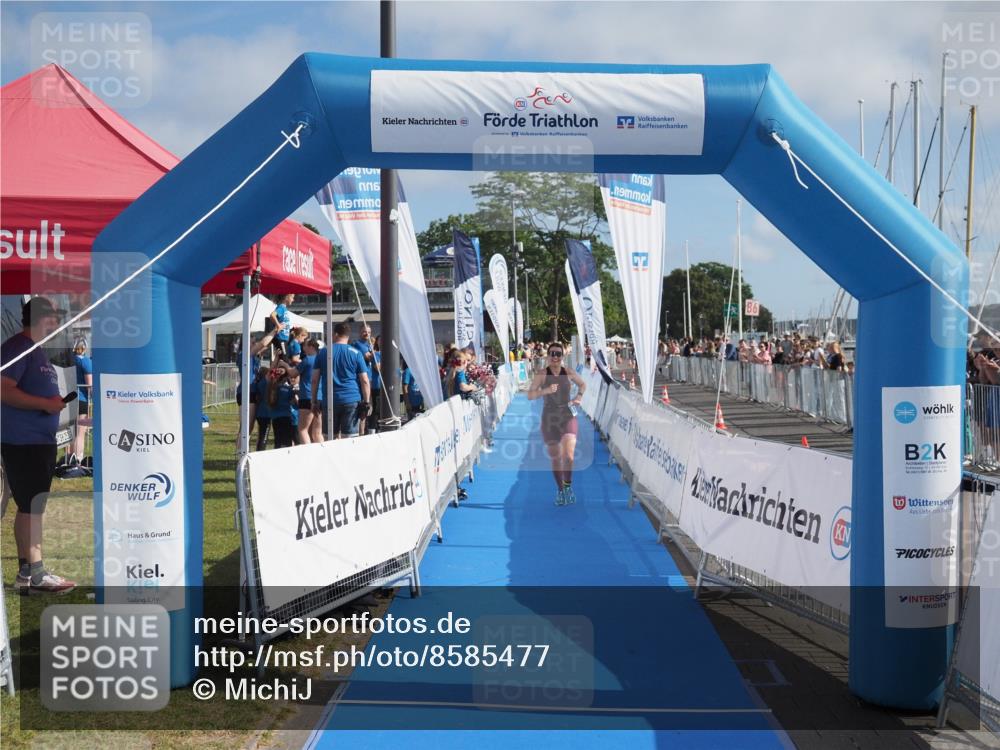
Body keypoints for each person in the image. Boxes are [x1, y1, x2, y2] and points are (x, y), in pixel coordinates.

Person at [0, 297, 76, 594]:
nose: (57, 325)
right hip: (24, 440)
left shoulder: (33, 350)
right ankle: (37, 574)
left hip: (35, 441)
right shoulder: (19, 347)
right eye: (54, 318)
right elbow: (3, 389)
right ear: (42, 318)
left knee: (30, 506)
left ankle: (27, 573)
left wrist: (50, 404)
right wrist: (45, 403)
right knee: (32, 507)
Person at [527, 342, 587, 506]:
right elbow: (530, 395)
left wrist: (579, 397)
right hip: (549, 418)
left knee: (568, 456)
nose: (555, 357)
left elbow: (583, 384)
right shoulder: (542, 374)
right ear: (547, 355)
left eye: (558, 354)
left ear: (562, 356)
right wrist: (545, 391)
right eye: (552, 353)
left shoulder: (568, 372)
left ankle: (568, 487)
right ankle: (560, 490)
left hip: (567, 415)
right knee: (556, 458)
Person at [312, 322, 371, 439]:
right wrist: (366, 402)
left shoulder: (323, 352)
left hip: (329, 400)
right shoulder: (356, 353)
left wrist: (313, 401)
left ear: (335, 334)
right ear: (348, 336)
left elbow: (315, 379)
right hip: (351, 399)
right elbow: (364, 380)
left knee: (330, 438)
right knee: (349, 439)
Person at [68, 339, 92, 465]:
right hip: (81, 399)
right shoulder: (85, 361)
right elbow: (90, 385)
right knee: (80, 432)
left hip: (68, 399)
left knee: (70, 431)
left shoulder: (69, 361)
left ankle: (69, 457)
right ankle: (78, 460)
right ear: (84, 348)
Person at [351, 325, 375, 434]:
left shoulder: (368, 345)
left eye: (369, 332)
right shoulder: (359, 344)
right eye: (365, 332)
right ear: (360, 332)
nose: (367, 334)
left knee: (369, 407)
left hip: (369, 378)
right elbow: (368, 357)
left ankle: (365, 430)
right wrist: (378, 351)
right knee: (363, 406)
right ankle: (360, 432)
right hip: (362, 379)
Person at [268, 364, 299, 449]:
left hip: (275, 418)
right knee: (287, 442)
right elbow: (294, 401)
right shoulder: (288, 389)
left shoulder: (271, 387)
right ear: (286, 377)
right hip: (286, 417)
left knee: (277, 441)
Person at [297, 339, 321, 444]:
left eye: (304, 346)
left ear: (311, 347)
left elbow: (293, 373)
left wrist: (285, 365)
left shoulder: (307, 360)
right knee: (317, 433)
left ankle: (307, 454)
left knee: (302, 429)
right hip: (320, 396)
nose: (303, 348)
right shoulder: (321, 359)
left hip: (307, 396)